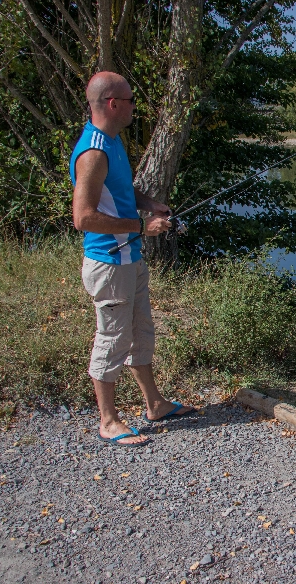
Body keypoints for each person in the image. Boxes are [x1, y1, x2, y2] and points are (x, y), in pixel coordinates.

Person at [71, 71, 196, 447]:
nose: (134, 108)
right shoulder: (93, 152)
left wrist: (149, 204)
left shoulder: (112, 142)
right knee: (111, 338)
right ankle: (108, 420)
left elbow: (123, 190)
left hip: (130, 260)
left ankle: (154, 403)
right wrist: (142, 228)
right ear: (112, 104)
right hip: (109, 264)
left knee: (142, 331)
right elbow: (83, 218)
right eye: (130, 101)